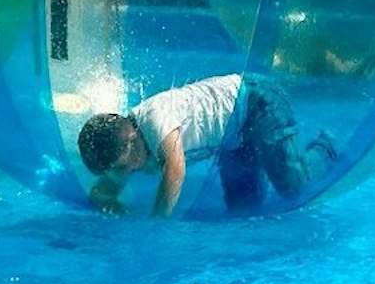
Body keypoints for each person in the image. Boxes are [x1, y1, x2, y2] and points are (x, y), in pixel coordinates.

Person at [77, 73, 338, 217]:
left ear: (131, 143)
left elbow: (175, 170)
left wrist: (157, 225)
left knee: (292, 186)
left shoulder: (153, 118)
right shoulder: (122, 151)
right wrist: (116, 209)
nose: (124, 174)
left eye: (123, 167)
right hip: (232, 139)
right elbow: (100, 193)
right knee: (244, 207)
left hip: (257, 103)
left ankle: (326, 146)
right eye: (117, 170)